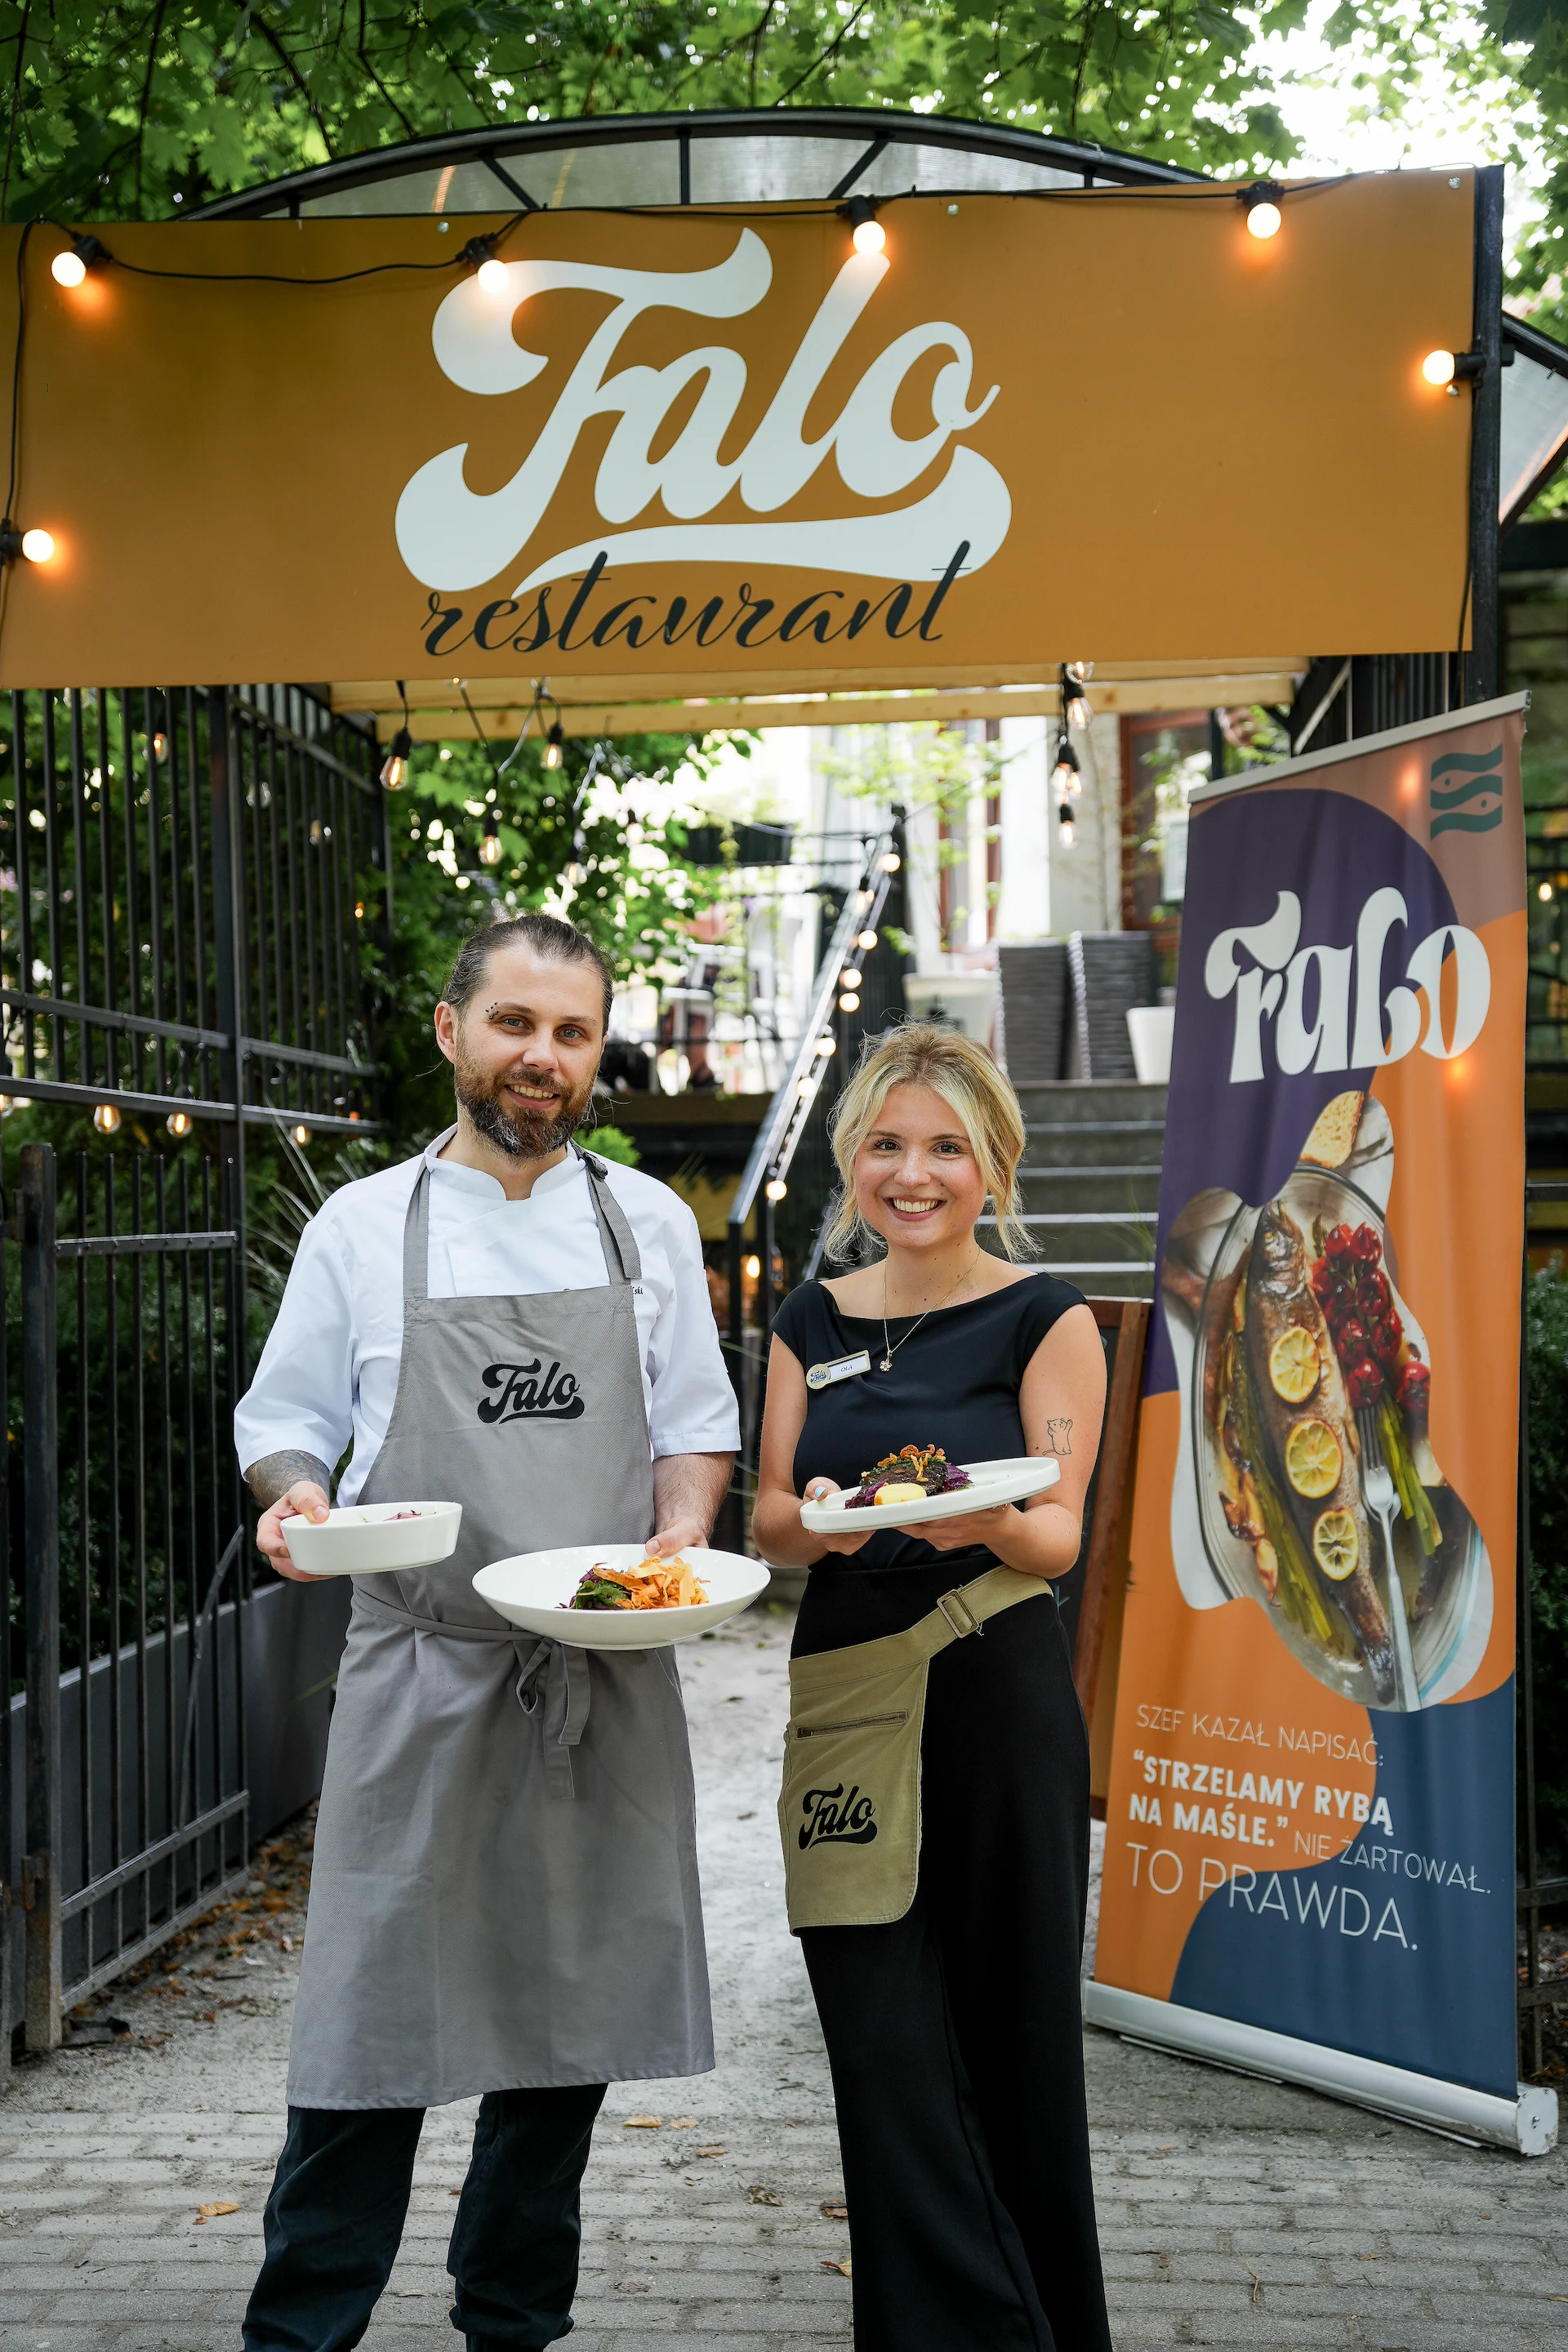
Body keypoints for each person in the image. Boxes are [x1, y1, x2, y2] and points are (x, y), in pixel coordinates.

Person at [236, 913, 739, 2352]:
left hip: (595, 1663)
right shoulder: (363, 1225)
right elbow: (283, 1429)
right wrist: (296, 1503)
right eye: (517, 1024)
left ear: (595, 1058)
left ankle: (514, 2322)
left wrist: (681, 1534)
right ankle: (302, 2330)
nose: (544, 1057)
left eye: (572, 1033)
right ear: (453, 1032)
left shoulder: (640, 1222)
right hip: (422, 1668)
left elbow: (695, 1435)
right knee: (365, 2033)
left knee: (565, 2030)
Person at [753, 1023, 1112, 2352]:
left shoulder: (1045, 1314)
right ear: (852, 1166)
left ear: (993, 1163)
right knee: (881, 2048)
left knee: (1016, 2044)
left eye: (947, 1147)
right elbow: (776, 1519)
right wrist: (831, 1523)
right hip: (848, 1690)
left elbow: (1059, 1530)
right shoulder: (810, 1320)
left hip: (996, 1686)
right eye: (889, 1147)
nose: (915, 1174)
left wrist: (984, 1518)